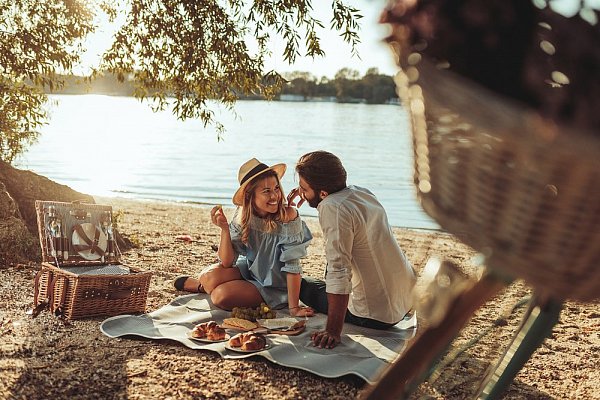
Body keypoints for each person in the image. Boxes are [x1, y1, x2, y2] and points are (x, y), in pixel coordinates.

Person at [287, 150, 416, 348]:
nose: (301, 193)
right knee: (322, 278)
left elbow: (339, 271)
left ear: (323, 193)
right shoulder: (361, 193)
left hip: (375, 315)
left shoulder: (332, 208)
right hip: (405, 300)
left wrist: (332, 331)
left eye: (304, 188)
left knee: (301, 286)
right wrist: (308, 191)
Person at [174, 158, 315, 317]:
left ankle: (208, 288)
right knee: (206, 276)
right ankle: (203, 285)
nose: (275, 195)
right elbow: (227, 262)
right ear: (249, 196)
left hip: (273, 286)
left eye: (276, 188)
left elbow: (293, 266)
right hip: (249, 270)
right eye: (266, 191)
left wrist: (294, 308)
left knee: (220, 296)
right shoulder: (243, 215)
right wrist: (225, 230)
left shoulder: (288, 216)